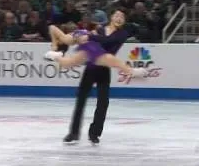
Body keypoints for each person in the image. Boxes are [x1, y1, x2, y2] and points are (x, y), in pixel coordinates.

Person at [45, 9, 143, 144]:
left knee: (103, 103)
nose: (119, 18)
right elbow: (91, 41)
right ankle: (73, 133)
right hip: (91, 67)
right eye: (116, 15)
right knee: (81, 100)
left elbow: (109, 40)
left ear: (124, 21)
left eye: (122, 16)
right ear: (111, 17)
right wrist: (82, 37)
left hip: (104, 69)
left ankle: (94, 133)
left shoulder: (122, 33)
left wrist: (90, 37)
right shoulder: (101, 29)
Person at [44, 25, 146, 77]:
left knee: (109, 59)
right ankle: (131, 71)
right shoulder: (68, 40)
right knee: (68, 63)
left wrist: (54, 44)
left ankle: (131, 71)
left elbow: (52, 27)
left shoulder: (66, 39)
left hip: (88, 40)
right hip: (88, 43)